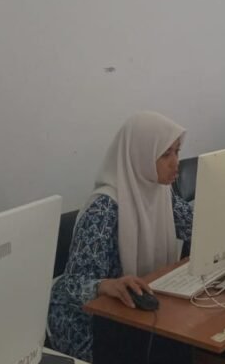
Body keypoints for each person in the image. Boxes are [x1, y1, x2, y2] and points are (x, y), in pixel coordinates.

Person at [47, 111, 192, 362]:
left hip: (135, 309)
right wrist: (105, 285)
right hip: (87, 319)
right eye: (166, 154)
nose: (175, 162)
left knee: (179, 338)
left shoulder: (161, 193)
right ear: (140, 156)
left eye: (177, 152)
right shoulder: (103, 208)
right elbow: (72, 283)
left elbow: (194, 225)